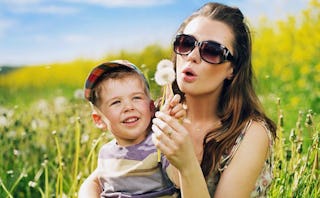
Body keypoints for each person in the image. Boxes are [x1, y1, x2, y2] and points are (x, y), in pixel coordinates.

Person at [151, 2, 277, 198]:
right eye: (185, 43)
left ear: (232, 70)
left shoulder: (250, 133)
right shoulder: (154, 114)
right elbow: (103, 176)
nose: (192, 56)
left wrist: (187, 165)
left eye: (211, 51)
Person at [79, 60, 184, 197]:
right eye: (116, 102)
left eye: (136, 98)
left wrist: (173, 129)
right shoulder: (106, 153)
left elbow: (180, 180)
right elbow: (95, 184)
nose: (129, 107)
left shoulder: (159, 144)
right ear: (99, 120)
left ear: (151, 108)